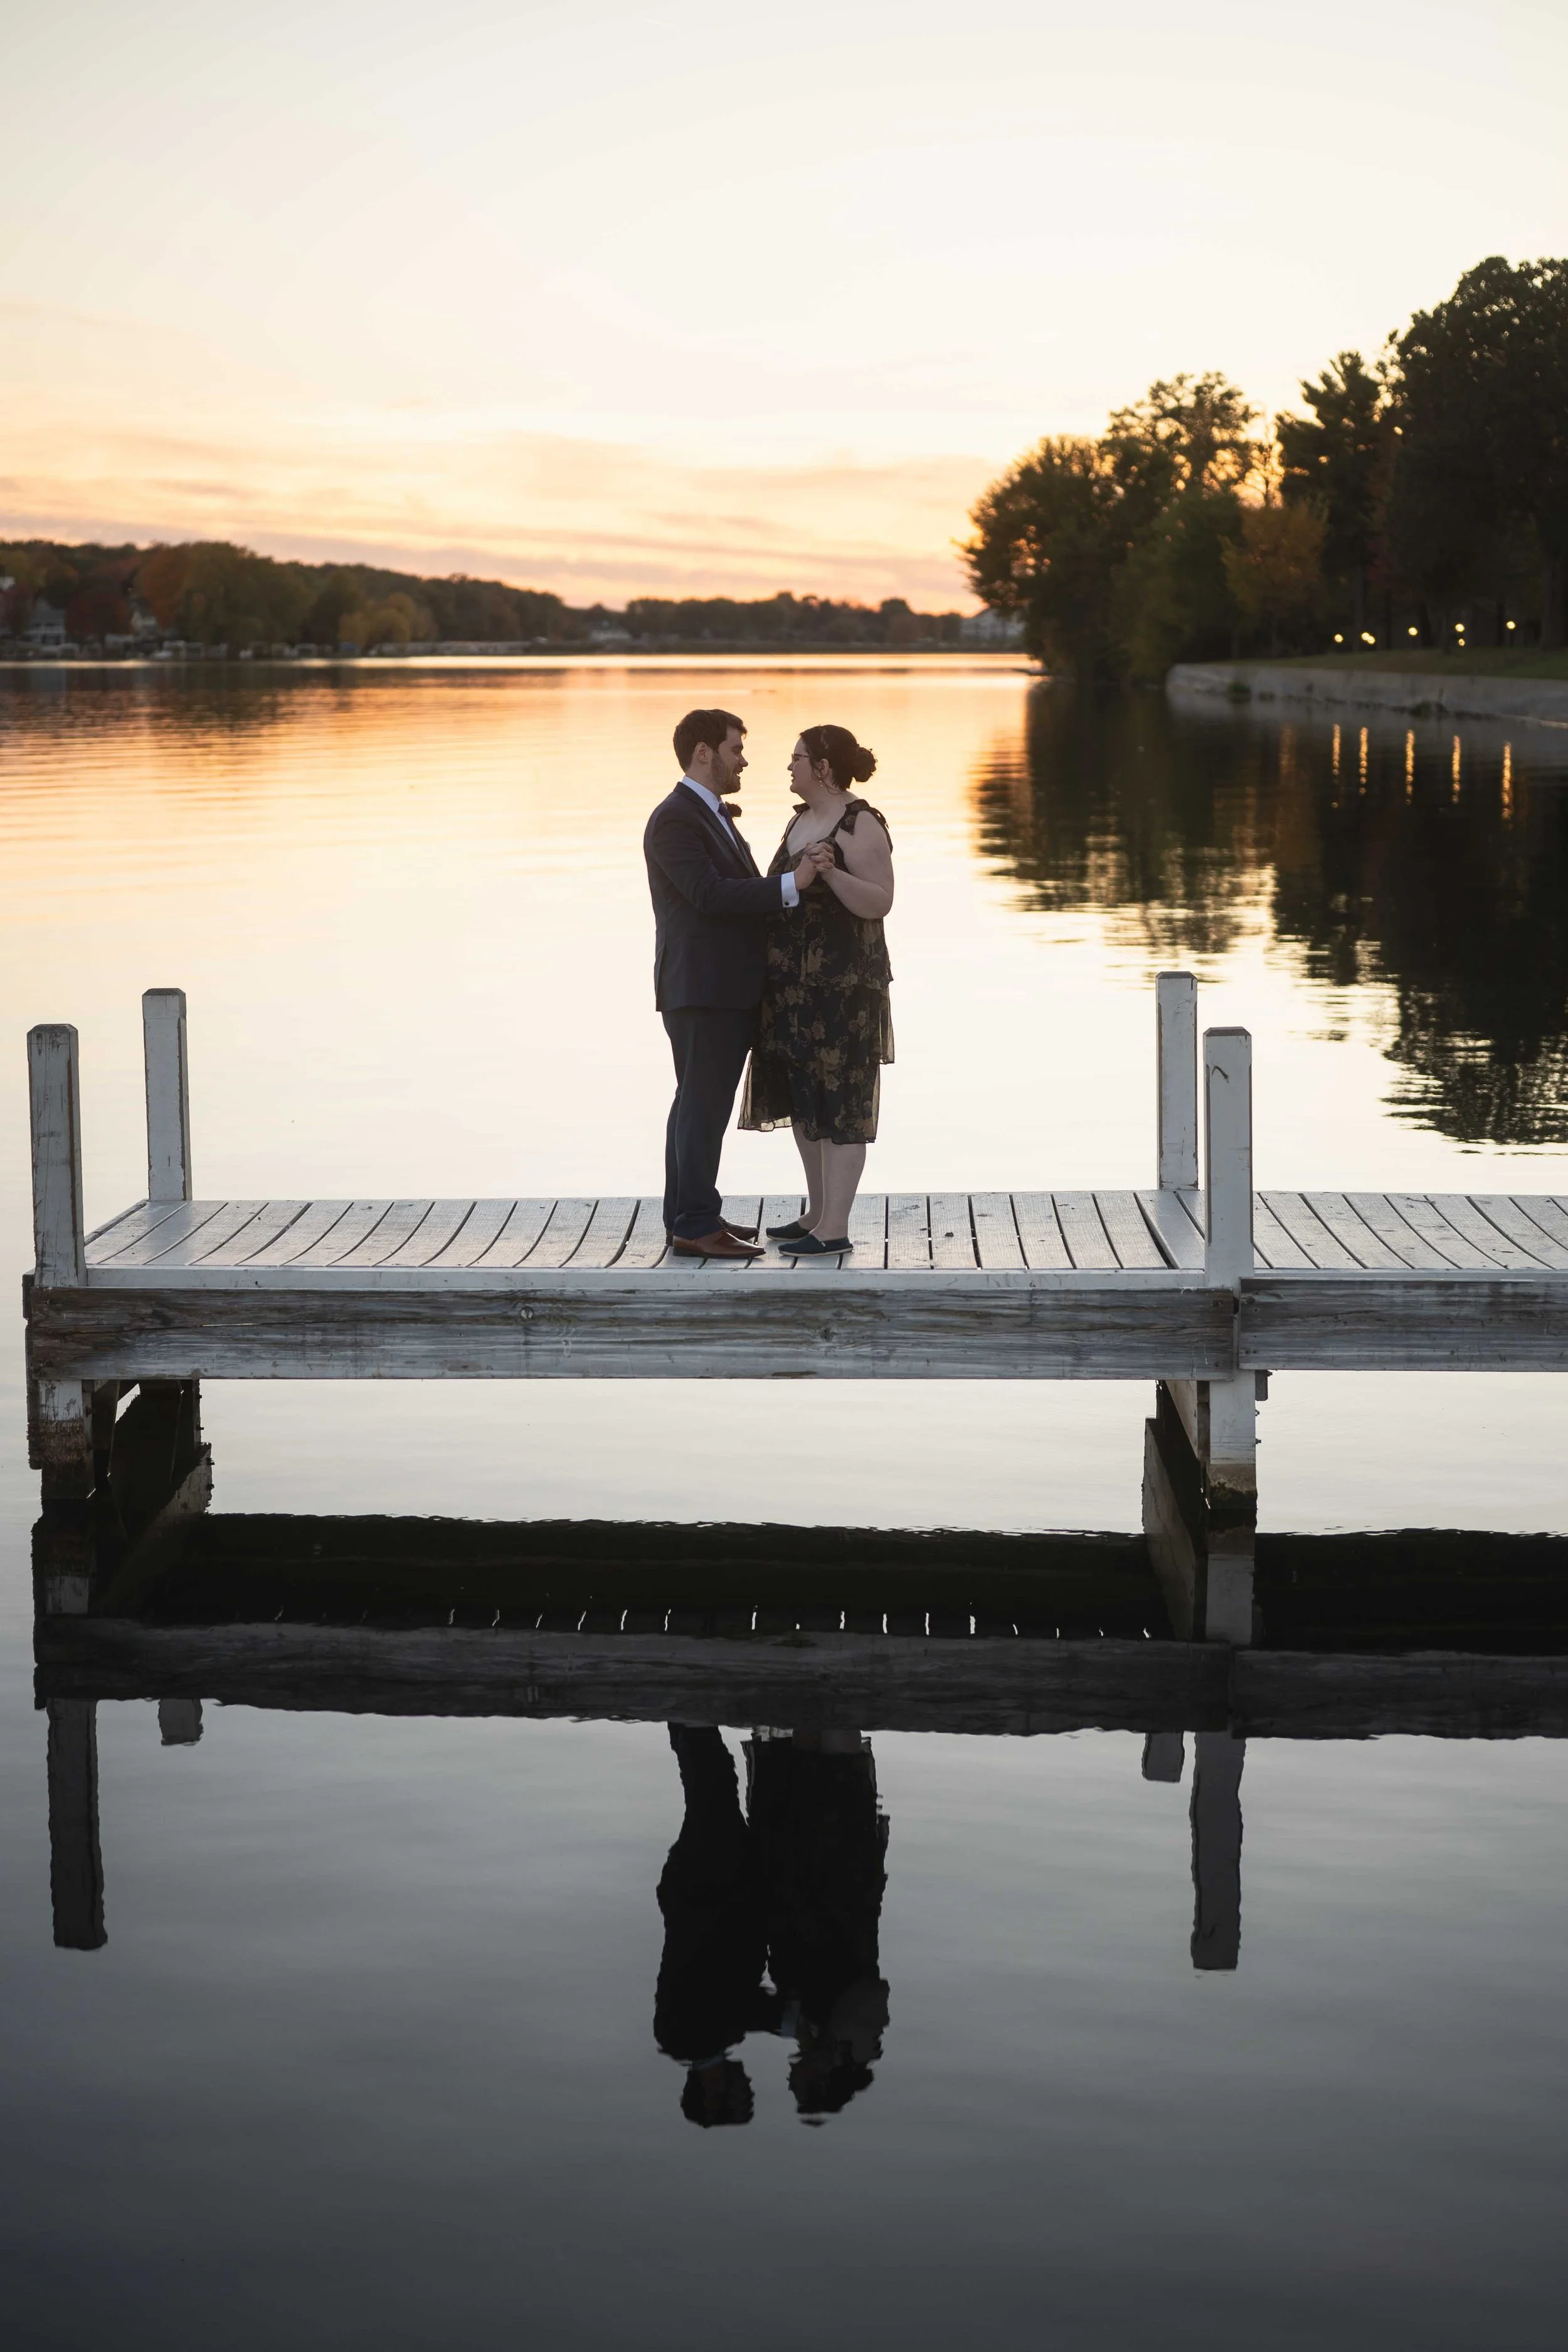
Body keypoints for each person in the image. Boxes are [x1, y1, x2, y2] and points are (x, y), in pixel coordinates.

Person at [644, 709, 824, 1259]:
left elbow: (728, 890)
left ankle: (689, 1216)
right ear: (704, 752)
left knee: (696, 1105)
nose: (743, 759)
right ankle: (696, 1224)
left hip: (718, 988)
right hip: (702, 988)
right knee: (703, 1106)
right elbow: (711, 895)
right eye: (735, 748)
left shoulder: (711, 815)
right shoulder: (676, 818)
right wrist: (794, 883)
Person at [739, 724, 894, 1254]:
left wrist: (831, 876)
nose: (790, 767)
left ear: (823, 768)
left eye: (798, 758)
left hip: (844, 987)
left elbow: (879, 903)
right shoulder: (801, 820)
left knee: (843, 1101)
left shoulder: (861, 823)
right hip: (791, 986)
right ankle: (817, 1213)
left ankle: (836, 1229)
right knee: (804, 1098)